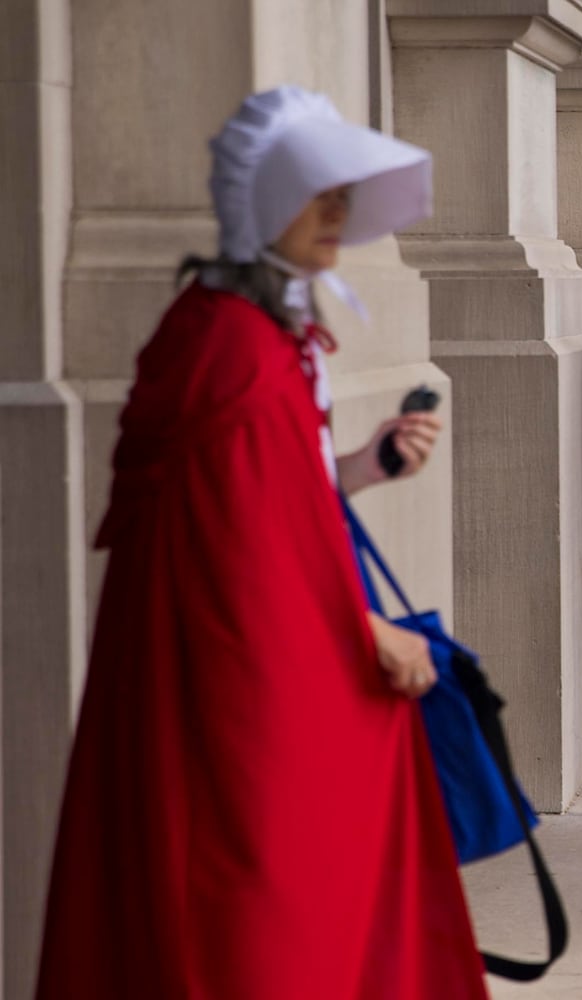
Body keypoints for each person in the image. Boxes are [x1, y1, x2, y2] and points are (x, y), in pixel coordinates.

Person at [36, 86, 489, 997]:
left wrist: (357, 468)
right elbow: (239, 557)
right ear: (264, 203)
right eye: (315, 191)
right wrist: (368, 632)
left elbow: (265, 505)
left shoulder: (246, 333)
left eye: (341, 192)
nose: (337, 211)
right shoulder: (232, 344)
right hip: (243, 694)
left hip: (241, 675)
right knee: (263, 921)